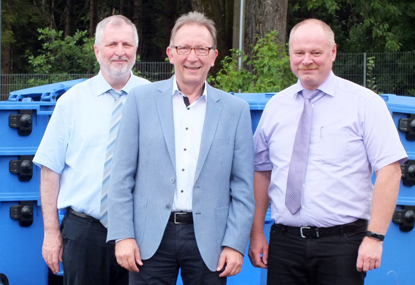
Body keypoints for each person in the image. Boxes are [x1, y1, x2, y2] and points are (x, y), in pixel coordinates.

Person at [248, 18, 407, 285]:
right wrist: (256, 234)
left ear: (333, 52)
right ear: (290, 54)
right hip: (284, 244)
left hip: (342, 246)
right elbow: (261, 172)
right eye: (299, 53)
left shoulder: (365, 104)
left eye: (315, 52)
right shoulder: (276, 107)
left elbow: (390, 171)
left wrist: (375, 236)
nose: (306, 60)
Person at [106, 11, 255, 285]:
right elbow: (120, 176)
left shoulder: (236, 111)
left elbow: (243, 187)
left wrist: (235, 244)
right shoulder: (141, 101)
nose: (192, 56)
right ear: (170, 53)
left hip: (209, 241)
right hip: (148, 239)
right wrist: (123, 235)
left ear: (214, 55)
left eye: (201, 48)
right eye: (184, 47)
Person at [33, 15, 150, 284]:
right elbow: (50, 170)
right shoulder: (71, 102)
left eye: (127, 44)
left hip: (140, 233)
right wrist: (51, 233)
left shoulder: (154, 98)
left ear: (136, 50)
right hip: (84, 232)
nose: (119, 51)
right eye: (111, 44)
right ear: (97, 51)